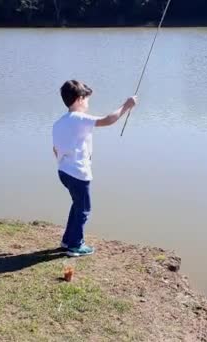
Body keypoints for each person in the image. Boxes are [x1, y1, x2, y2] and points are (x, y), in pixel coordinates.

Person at [52, 80, 137, 257]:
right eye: (87, 99)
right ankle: (75, 245)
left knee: (77, 205)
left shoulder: (59, 122)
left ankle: (68, 240)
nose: (88, 103)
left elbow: (55, 149)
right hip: (78, 173)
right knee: (84, 209)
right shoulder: (79, 118)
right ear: (79, 99)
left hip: (64, 171)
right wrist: (126, 105)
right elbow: (108, 120)